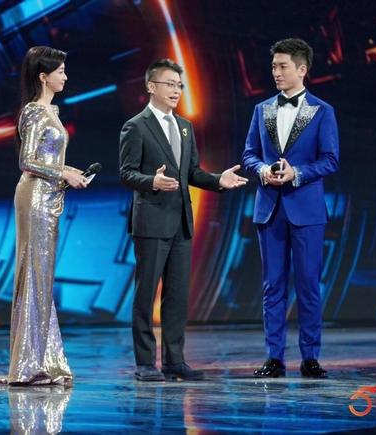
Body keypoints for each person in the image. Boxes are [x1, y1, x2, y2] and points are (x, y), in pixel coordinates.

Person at [119, 59, 248, 382]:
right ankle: (145, 363)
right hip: (151, 222)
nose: (176, 90)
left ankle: (175, 361)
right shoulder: (136, 126)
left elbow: (191, 172)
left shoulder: (185, 126)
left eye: (179, 85)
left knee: (177, 295)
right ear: (151, 86)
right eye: (170, 84)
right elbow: (127, 172)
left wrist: (218, 180)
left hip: (181, 223)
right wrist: (152, 181)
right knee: (146, 295)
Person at [0, 46, 88, 386]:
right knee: (33, 273)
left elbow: (46, 159)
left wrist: (69, 171)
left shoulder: (50, 111)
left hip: (49, 197)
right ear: (43, 77)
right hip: (34, 198)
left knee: (42, 277)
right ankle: (28, 364)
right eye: (60, 72)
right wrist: (63, 173)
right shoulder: (33, 111)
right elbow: (27, 161)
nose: (65, 77)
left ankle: (43, 359)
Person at [243, 38, 339, 379]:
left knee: (309, 284)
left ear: (302, 69)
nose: (276, 72)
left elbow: (330, 160)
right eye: (273, 66)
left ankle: (310, 357)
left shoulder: (322, 111)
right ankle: (275, 357)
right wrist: (262, 170)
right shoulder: (262, 109)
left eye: (282, 66)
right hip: (270, 208)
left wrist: (297, 173)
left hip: (306, 210)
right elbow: (249, 153)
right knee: (273, 286)